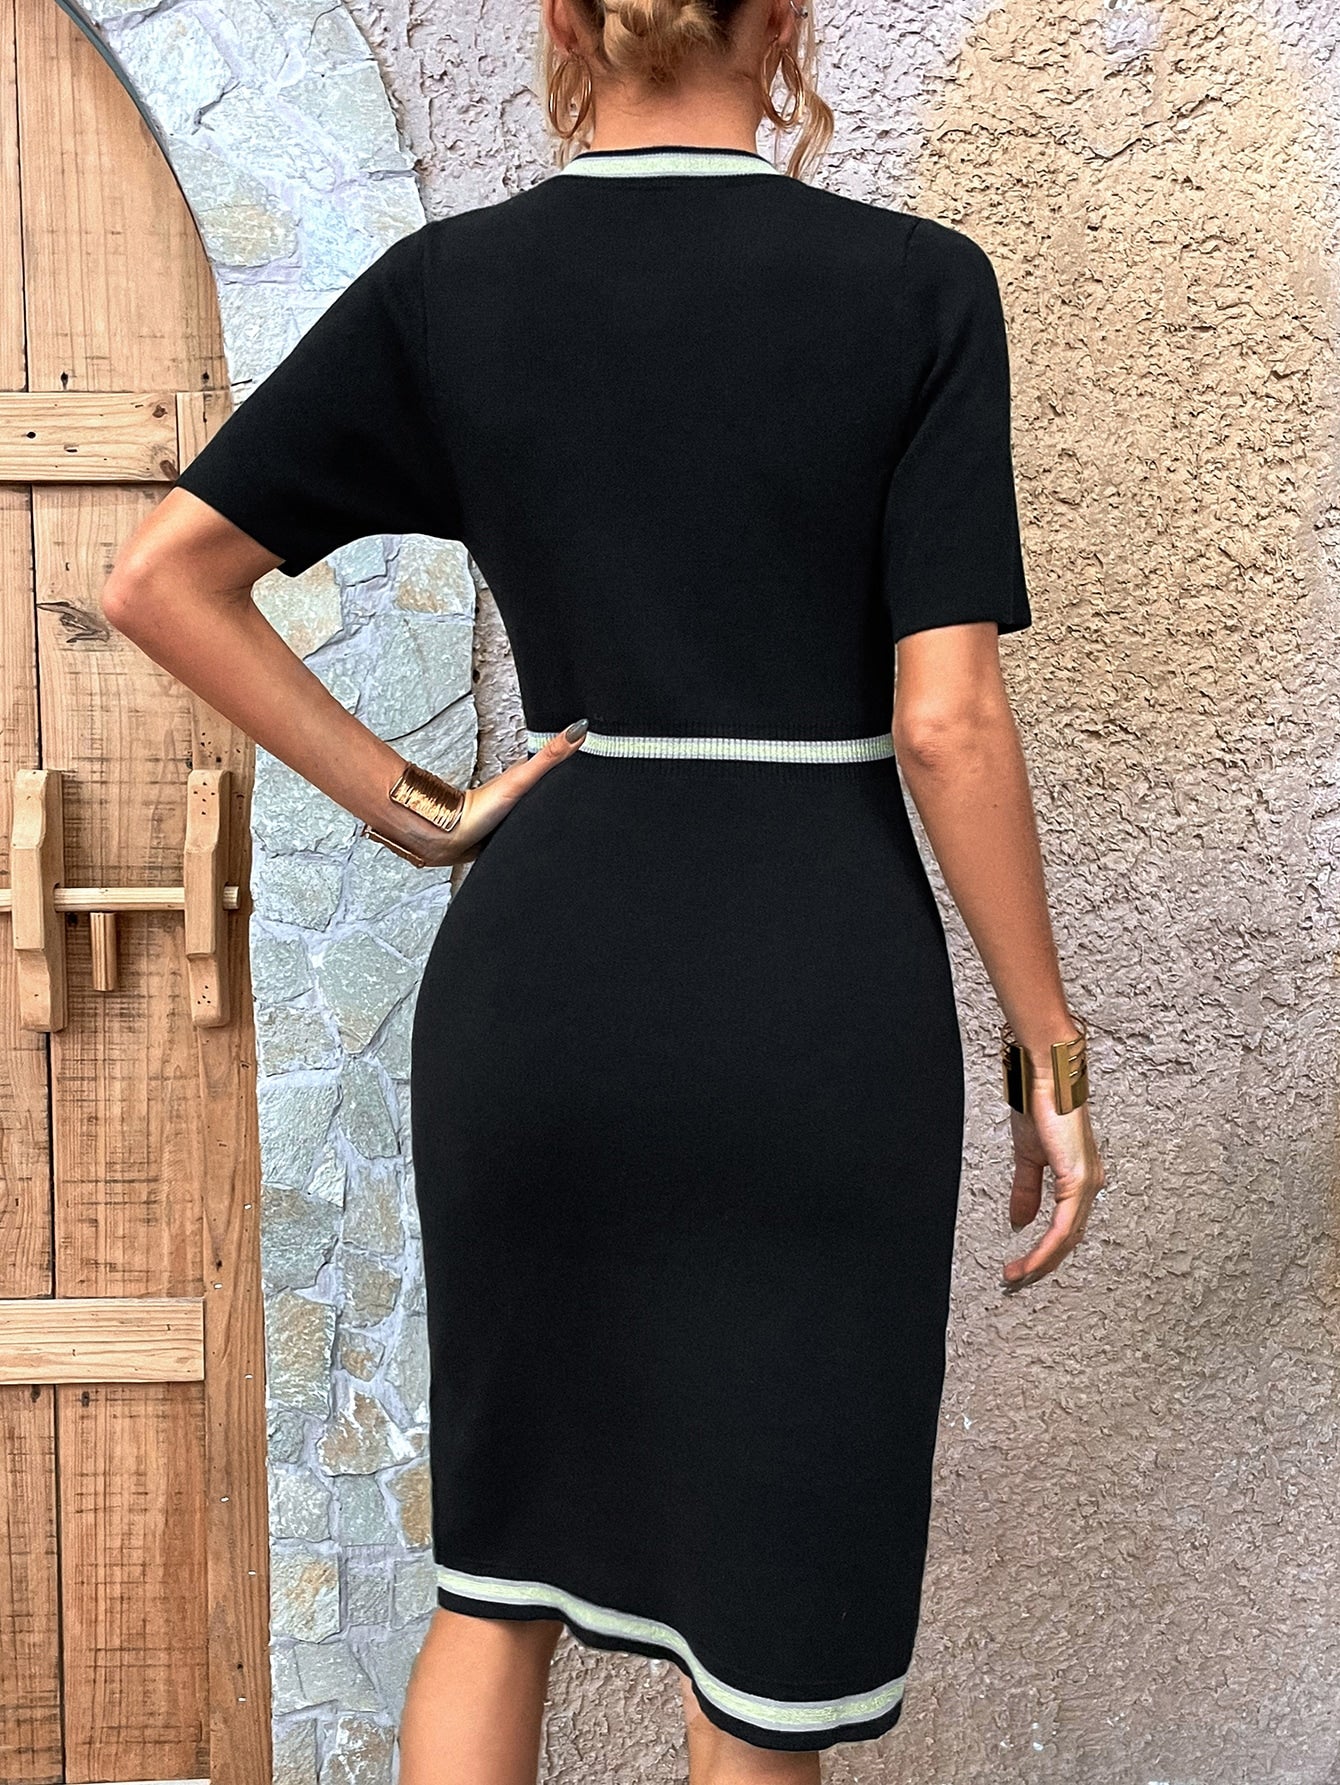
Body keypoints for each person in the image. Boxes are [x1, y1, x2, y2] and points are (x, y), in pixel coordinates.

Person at [103, 0, 1106, 1779]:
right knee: (765, 1646)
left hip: (543, 990)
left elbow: (160, 580)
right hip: (812, 1003)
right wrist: (1051, 1046)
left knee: (496, 1581)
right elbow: (946, 721)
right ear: (785, 20)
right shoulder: (919, 291)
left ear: (567, 22)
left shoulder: (451, 287)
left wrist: (419, 808)